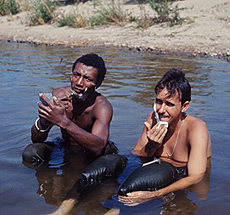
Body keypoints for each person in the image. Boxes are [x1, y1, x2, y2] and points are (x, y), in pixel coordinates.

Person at [119, 68, 212, 205]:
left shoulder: (196, 128)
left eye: (169, 104)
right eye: (158, 102)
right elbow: (137, 155)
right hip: (159, 173)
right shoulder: (153, 117)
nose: (161, 110)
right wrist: (152, 146)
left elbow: (196, 176)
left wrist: (155, 194)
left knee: (194, 202)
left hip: (187, 180)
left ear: (184, 106)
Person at [22, 53, 116, 165]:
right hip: (65, 145)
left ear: (98, 84)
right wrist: (45, 120)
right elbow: (36, 140)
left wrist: (63, 121)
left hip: (90, 151)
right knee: (30, 152)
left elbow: (98, 147)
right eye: (76, 75)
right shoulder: (58, 96)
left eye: (87, 79)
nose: (79, 83)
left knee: (108, 159)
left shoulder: (102, 107)